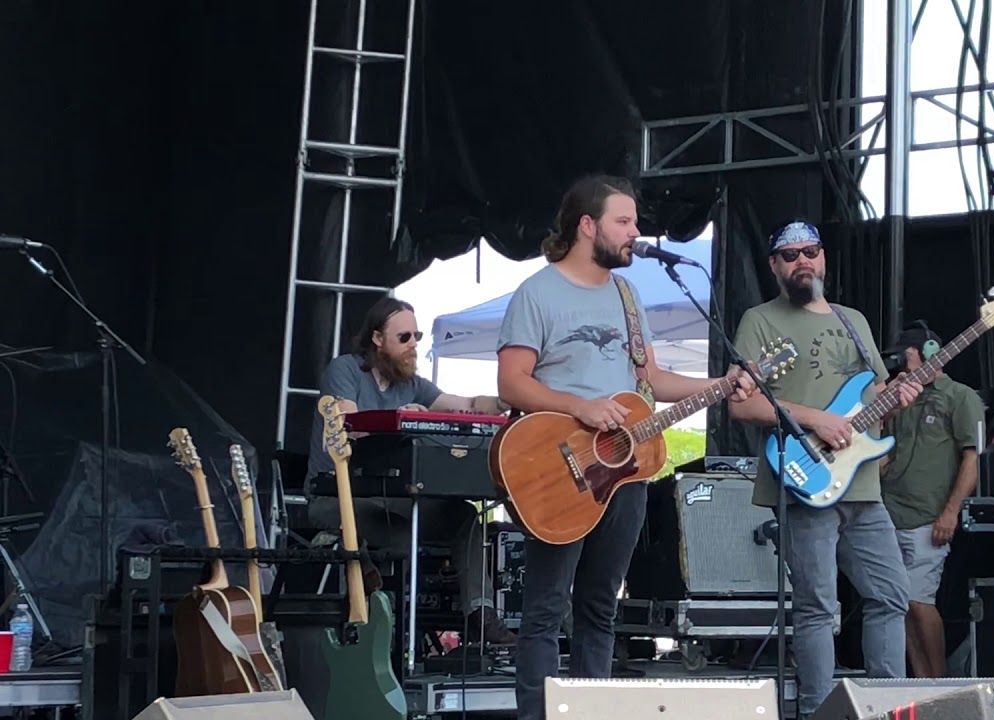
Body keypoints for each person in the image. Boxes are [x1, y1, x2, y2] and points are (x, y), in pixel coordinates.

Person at [495, 174, 756, 720]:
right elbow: (512, 384)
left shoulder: (626, 294)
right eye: (625, 221)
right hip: (556, 468)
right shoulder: (537, 293)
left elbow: (652, 380)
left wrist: (720, 385)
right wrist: (579, 407)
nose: (637, 232)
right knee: (545, 611)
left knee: (599, 608)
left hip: (625, 471)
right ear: (587, 226)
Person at [727, 220, 922, 719]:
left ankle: (885, 707)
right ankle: (818, 712)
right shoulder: (759, 320)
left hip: (860, 482)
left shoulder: (851, 318)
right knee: (818, 608)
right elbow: (743, 408)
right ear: (774, 266)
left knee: (892, 595)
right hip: (805, 478)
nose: (801, 262)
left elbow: (874, 398)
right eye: (789, 255)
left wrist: (900, 395)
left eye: (810, 251)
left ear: (824, 257)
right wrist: (815, 419)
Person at [306, 296, 517, 645]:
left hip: (393, 498)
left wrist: (504, 401)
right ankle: (386, 629)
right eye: (404, 337)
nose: (414, 345)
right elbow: (350, 425)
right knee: (403, 536)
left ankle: (481, 614)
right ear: (377, 339)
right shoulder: (344, 370)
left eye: (417, 336)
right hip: (339, 496)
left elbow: (464, 406)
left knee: (464, 518)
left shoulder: (413, 383)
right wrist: (406, 422)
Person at [879, 321, 983, 678]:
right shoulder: (900, 397)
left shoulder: (960, 397)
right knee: (898, 605)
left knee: (920, 602)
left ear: (929, 355)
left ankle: (937, 683)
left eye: (909, 362)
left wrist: (950, 513)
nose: (904, 371)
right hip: (888, 514)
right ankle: (921, 682)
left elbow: (973, 459)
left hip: (929, 516)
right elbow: (884, 450)